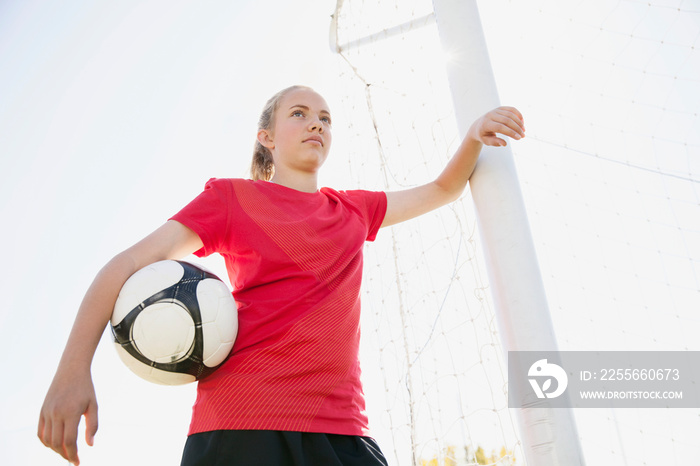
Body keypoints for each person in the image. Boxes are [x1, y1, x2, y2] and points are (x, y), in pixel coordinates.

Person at [38, 85, 524, 465]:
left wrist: (474, 135)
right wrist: (72, 370)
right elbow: (125, 265)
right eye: (299, 114)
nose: (316, 124)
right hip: (239, 427)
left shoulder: (353, 209)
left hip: (342, 429)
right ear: (266, 137)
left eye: (325, 119)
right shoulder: (232, 199)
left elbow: (442, 188)